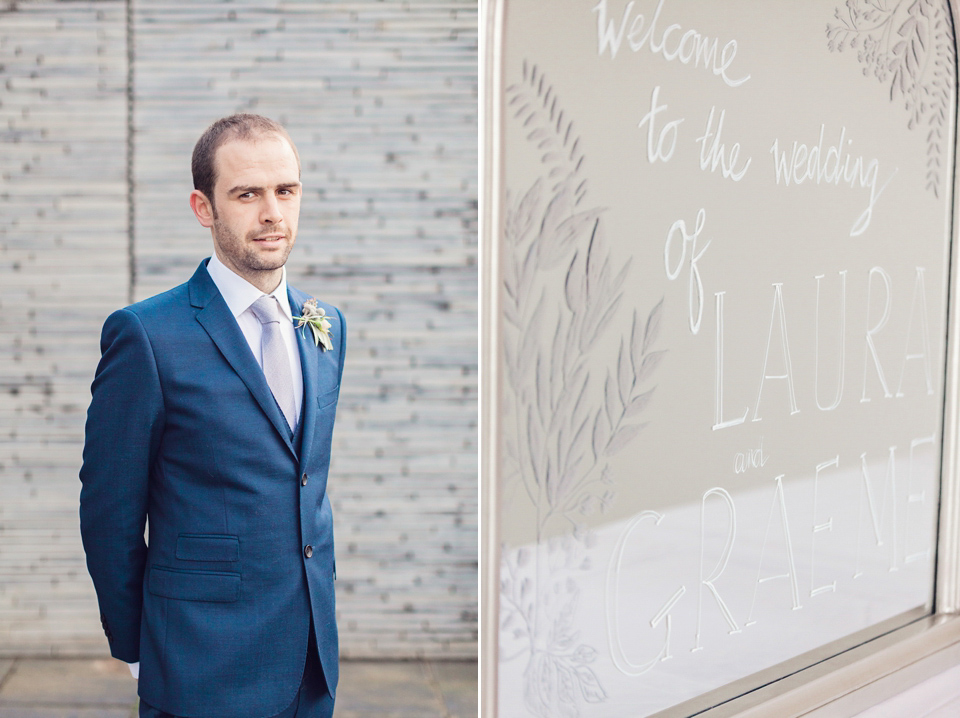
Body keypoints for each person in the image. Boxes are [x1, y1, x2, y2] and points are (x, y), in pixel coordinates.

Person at [79, 114, 345, 718]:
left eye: (286, 190)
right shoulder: (146, 335)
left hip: (309, 662)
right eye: (247, 194)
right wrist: (139, 652)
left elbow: (303, 483)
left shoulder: (327, 326)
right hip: (198, 665)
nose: (272, 212)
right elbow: (109, 511)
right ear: (205, 208)